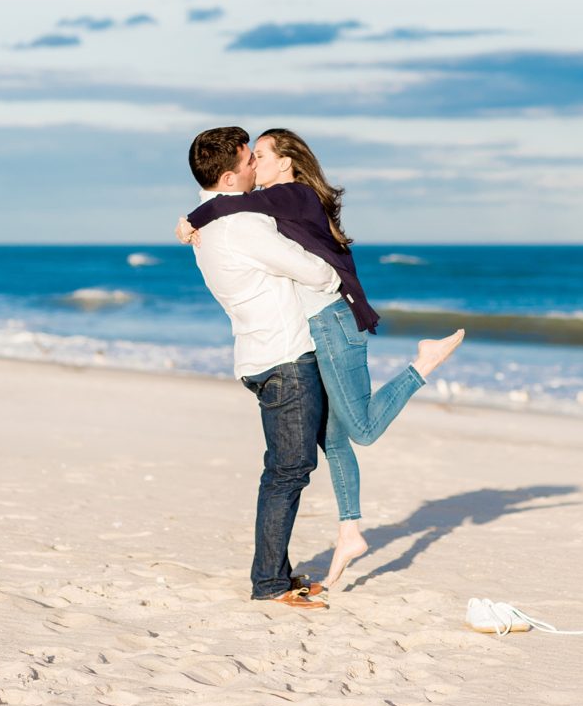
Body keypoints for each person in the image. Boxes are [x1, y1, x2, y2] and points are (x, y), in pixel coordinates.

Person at [178, 128, 464, 588]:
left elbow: (232, 208)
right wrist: (199, 216)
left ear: (287, 162)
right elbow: (247, 220)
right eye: (251, 157)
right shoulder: (256, 211)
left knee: (352, 434)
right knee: (326, 445)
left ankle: (423, 364)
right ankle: (347, 532)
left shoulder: (288, 197)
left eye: (262, 155)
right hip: (300, 340)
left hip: (316, 328)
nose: (256, 163)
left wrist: (193, 216)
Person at [184, 126, 342, 611]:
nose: (258, 164)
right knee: (288, 471)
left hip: (258, 356)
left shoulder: (211, 225)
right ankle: (270, 582)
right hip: (286, 358)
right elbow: (317, 271)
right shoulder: (242, 226)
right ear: (231, 177)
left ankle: (273, 572)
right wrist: (329, 267)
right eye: (250, 159)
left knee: (283, 469)